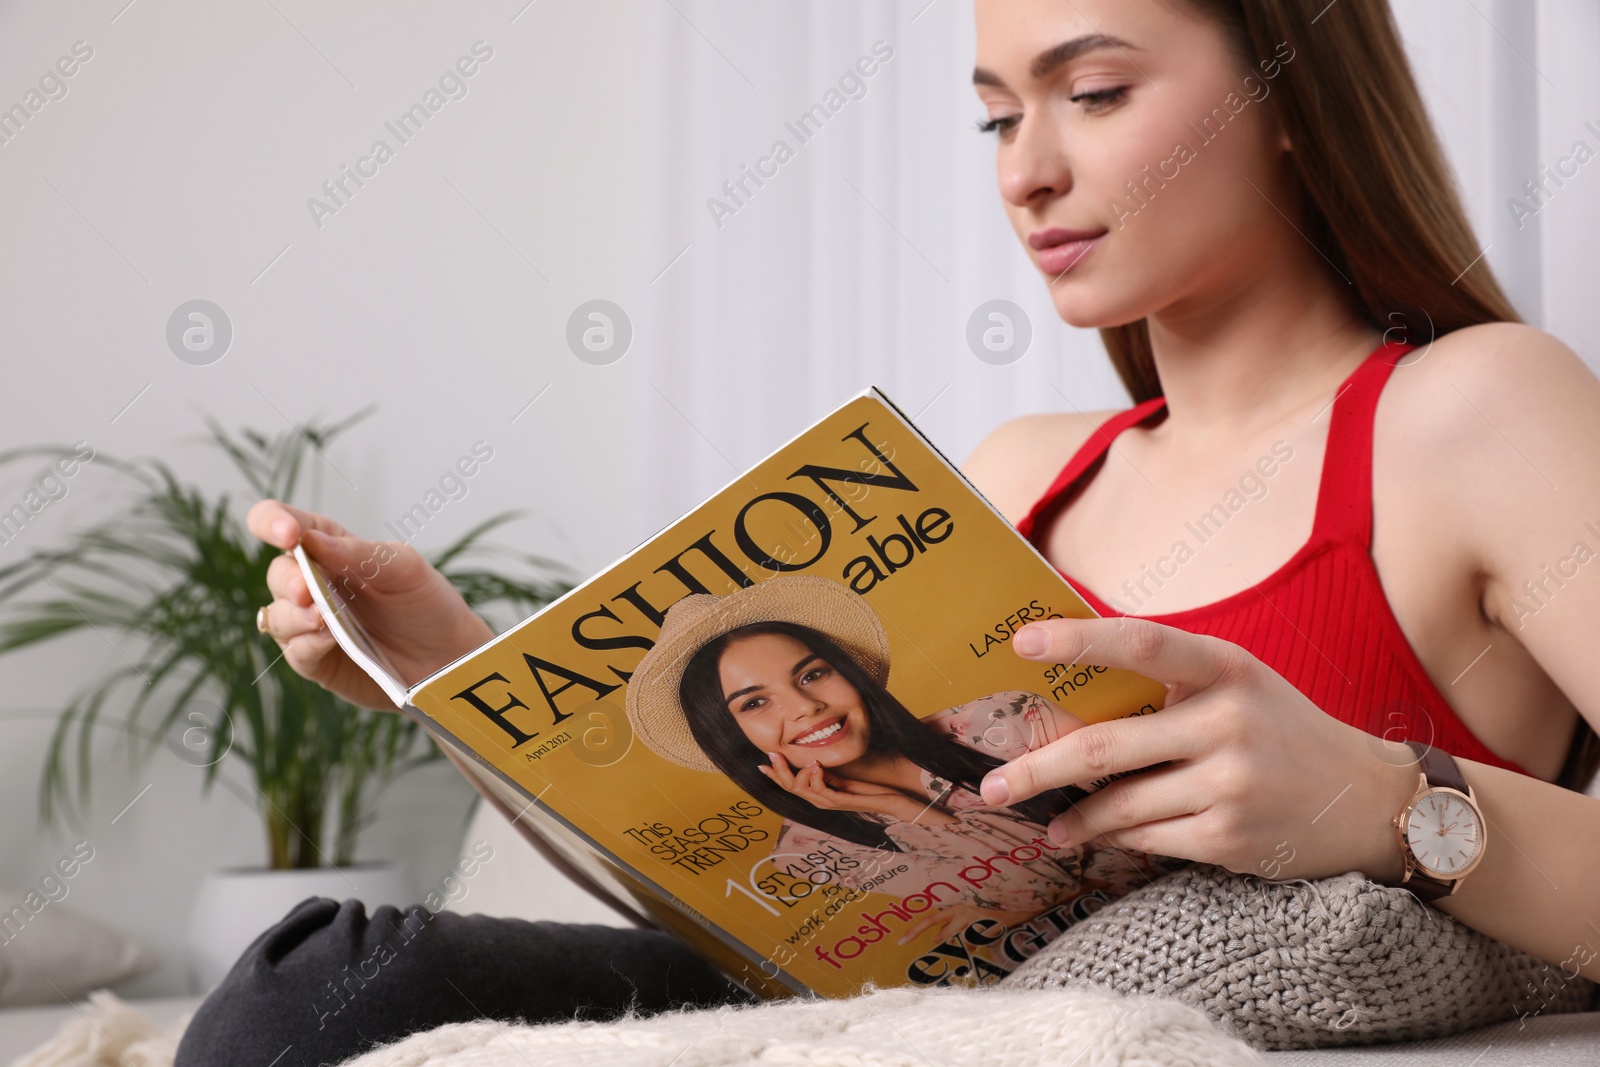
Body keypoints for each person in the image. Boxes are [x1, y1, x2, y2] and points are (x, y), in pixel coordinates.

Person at [177, 1, 1600, 1063]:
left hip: (1071, 1019)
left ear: (1296, 90)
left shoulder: (1470, 409)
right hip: (886, 1008)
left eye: (1092, 93)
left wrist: (1375, 799)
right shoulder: (1022, 470)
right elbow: (731, 891)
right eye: (996, 117)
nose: (1024, 172)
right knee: (321, 980)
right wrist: (456, 669)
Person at [621, 573, 1186, 946]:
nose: (808, 707)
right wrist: (901, 808)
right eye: (756, 703)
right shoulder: (809, 854)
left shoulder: (1004, 720)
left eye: (813, 674)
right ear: (732, 735)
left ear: (850, 673)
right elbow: (1040, 894)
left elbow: (1167, 837)